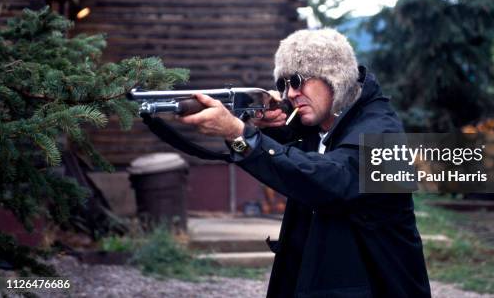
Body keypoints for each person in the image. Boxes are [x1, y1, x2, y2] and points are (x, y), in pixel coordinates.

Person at [179, 29, 430, 298]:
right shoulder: (319, 126)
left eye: (298, 80)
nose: (290, 94)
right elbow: (298, 160)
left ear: (334, 79)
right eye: (283, 84)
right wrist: (265, 130)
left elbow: (329, 179)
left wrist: (239, 133)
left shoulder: (382, 131)